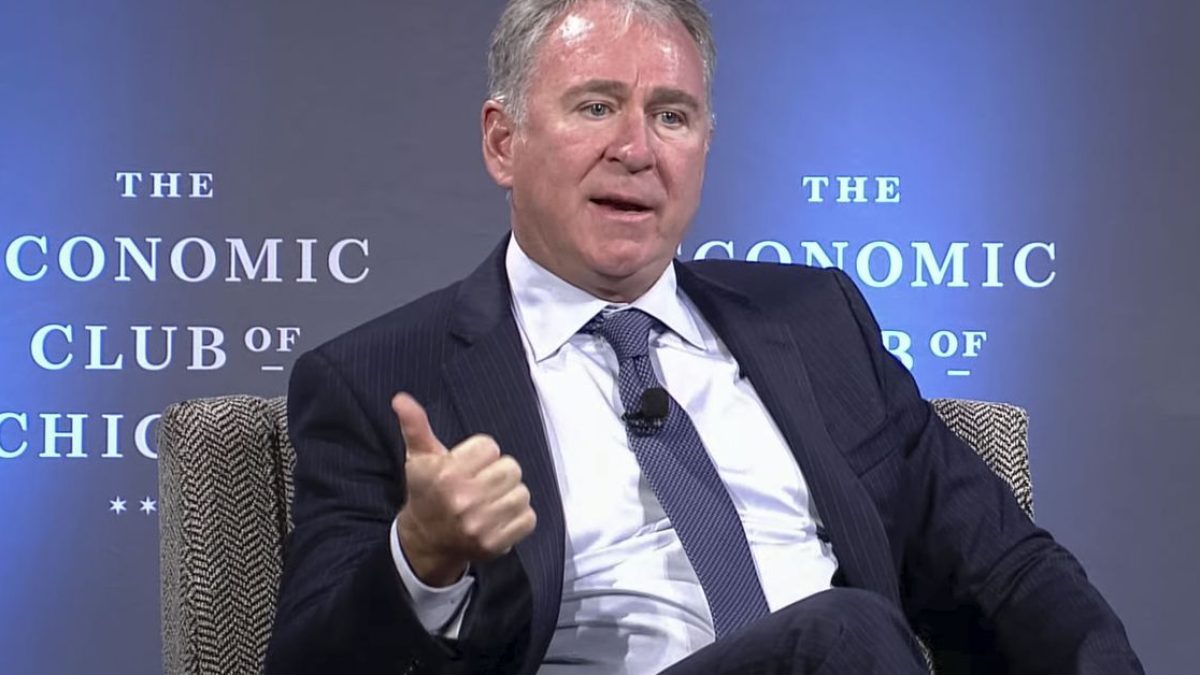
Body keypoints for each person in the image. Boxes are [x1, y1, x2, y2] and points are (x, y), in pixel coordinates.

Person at [264, 1, 1144, 673]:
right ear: (503, 142)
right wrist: (421, 555)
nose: (637, 149)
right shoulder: (380, 376)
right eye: (596, 106)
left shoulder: (817, 321)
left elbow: (1004, 566)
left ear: (706, 145)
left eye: (673, 115)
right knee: (841, 633)